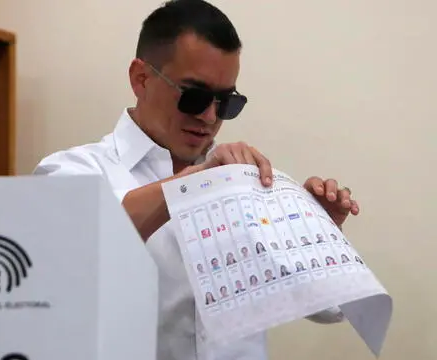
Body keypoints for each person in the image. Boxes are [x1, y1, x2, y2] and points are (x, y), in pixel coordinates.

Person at [33, 0, 359, 359]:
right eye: (195, 95)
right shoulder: (69, 172)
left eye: (225, 102)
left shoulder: (249, 185)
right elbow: (75, 252)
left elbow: (332, 309)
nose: (209, 116)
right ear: (140, 78)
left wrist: (320, 236)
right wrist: (197, 184)